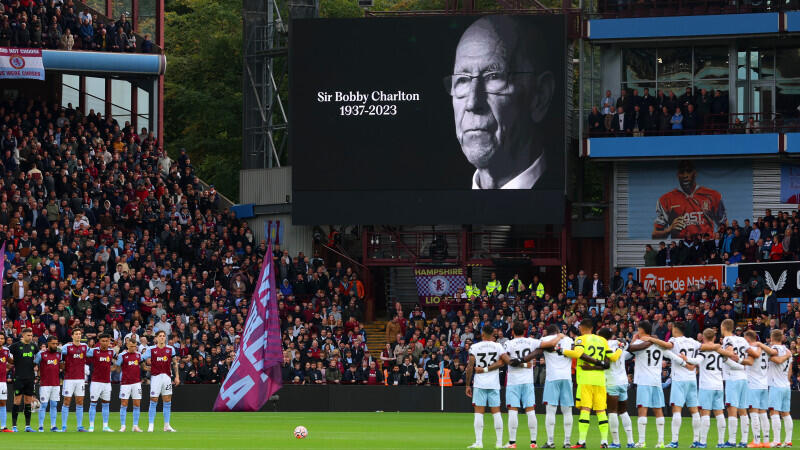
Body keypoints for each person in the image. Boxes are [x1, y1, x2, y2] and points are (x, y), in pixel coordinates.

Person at [448, 16, 556, 190]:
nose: (472, 103)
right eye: (462, 80)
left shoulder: (556, 189)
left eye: (494, 77)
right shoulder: (442, 198)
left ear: (540, 96)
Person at [641, 322, 704, 447]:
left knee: (676, 410)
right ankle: (697, 440)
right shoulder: (692, 341)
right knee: (694, 411)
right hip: (692, 379)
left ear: (675, 329)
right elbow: (702, 347)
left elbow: (667, 345)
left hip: (679, 379)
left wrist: (651, 339)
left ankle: (674, 441)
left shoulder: (674, 340)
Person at [503, 321, 562, 448]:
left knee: (513, 411)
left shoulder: (508, 343)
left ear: (512, 332)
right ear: (525, 331)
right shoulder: (531, 341)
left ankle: (512, 442)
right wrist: (559, 336)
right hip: (528, 381)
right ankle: (533, 442)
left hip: (513, 381)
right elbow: (551, 344)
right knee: (530, 410)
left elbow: (506, 360)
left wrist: (520, 363)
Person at [560, 320, 619, 448]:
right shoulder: (603, 340)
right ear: (592, 328)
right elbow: (613, 358)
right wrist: (620, 349)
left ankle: (581, 441)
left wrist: (563, 351)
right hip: (600, 381)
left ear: (581, 328)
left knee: (585, 409)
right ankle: (604, 441)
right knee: (601, 410)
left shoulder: (580, 339)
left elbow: (577, 354)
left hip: (585, 379)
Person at [652, 160, 726, 240]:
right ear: (677, 175)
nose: (685, 175)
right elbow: (655, 235)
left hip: (705, 245)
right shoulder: (665, 200)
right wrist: (669, 230)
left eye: (689, 171)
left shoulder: (713, 195)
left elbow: (724, 225)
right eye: (682, 172)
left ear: (695, 173)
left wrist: (717, 238)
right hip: (681, 247)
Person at [465, 324, 510, 448]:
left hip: (480, 384)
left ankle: (479, 442)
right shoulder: (498, 346)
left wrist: (467, 385)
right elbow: (504, 362)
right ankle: (499, 443)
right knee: (496, 413)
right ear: (493, 334)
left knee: (479, 413)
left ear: (482, 334)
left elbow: (470, 367)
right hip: (494, 383)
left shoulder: (475, 347)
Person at [530, 324, 575, 448]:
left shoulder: (544, 340)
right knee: (567, 411)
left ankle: (550, 441)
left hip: (552, 377)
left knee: (551, 410)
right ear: (558, 331)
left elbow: (538, 350)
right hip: (566, 377)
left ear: (547, 332)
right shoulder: (568, 339)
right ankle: (567, 442)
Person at [627, 321, 665, 448]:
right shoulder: (659, 344)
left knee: (642, 410)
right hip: (657, 381)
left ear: (641, 330)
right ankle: (661, 442)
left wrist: (633, 340)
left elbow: (628, 352)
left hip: (644, 381)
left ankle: (642, 441)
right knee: (658, 410)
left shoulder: (638, 343)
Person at [596, 328, 634, 449]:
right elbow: (628, 347)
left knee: (612, 411)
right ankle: (630, 442)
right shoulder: (619, 344)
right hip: (623, 381)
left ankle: (616, 442)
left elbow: (605, 363)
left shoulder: (603, 346)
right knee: (623, 411)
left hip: (612, 382)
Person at [759, 330, 793, 447]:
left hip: (775, 385)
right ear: (782, 338)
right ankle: (788, 441)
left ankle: (777, 440)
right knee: (786, 413)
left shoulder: (773, 350)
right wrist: (787, 381)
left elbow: (777, 359)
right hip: (785, 385)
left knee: (774, 412)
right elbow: (790, 369)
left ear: (771, 338)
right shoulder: (788, 350)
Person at [142, 330, 180, 432]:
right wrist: (145, 368)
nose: (162, 337)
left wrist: (177, 377)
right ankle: (151, 425)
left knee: (167, 400)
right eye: (160, 336)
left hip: (167, 377)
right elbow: (141, 358)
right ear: (156, 338)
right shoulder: (151, 349)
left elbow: (175, 363)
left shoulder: (170, 349)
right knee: (153, 400)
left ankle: (166, 425)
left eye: (164, 336)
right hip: (156, 377)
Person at [721, 319, 750, 447]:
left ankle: (732, 441)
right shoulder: (742, 339)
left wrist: (723, 356)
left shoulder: (727, 339)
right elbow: (750, 356)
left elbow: (730, 353)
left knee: (732, 409)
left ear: (723, 327)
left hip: (732, 377)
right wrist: (742, 364)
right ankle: (744, 441)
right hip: (744, 377)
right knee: (743, 410)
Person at [741, 330, 770, 447]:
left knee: (754, 413)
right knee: (763, 413)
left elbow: (748, 362)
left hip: (753, 384)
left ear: (748, 338)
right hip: (764, 384)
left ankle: (756, 441)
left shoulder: (750, 349)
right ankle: (766, 441)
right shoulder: (763, 348)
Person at [8, 328, 37, 432]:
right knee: (17, 401)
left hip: (30, 378)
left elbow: (38, 358)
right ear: (23, 335)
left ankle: (27, 426)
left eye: (31, 335)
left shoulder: (34, 346)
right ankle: (14, 426)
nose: (30, 337)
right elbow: (7, 355)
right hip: (19, 377)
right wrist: (10, 364)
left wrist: (36, 366)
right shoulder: (15, 346)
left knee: (28, 402)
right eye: (28, 335)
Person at [61, 328, 89, 432]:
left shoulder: (85, 347)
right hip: (69, 379)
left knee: (80, 402)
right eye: (76, 334)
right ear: (72, 336)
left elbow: (92, 354)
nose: (78, 335)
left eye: (79, 334)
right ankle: (64, 426)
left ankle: (80, 426)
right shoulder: (67, 347)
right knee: (67, 401)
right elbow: (58, 353)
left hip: (80, 379)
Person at [87, 333, 116, 432]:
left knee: (106, 404)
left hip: (107, 382)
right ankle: (91, 426)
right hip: (96, 382)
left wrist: (113, 368)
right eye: (103, 341)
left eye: (106, 341)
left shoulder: (111, 352)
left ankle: (105, 426)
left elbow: (116, 361)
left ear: (109, 342)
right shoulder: (94, 351)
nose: (104, 343)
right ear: (99, 342)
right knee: (93, 403)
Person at [34, 336, 61, 432]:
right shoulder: (41, 354)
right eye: (53, 344)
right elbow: (35, 365)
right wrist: (36, 376)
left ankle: (53, 426)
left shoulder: (59, 354)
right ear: (48, 343)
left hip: (56, 384)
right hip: (45, 384)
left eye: (56, 344)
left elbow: (61, 366)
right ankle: (40, 426)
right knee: (44, 405)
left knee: (54, 405)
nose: (55, 345)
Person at [117, 337, 144, 432]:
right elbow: (117, 367)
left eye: (135, 346)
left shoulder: (138, 355)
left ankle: (135, 426)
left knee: (137, 404)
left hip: (136, 383)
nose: (133, 348)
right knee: (124, 404)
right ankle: (123, 426)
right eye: (131, 346)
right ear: (128, 345)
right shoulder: (122, 355)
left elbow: (143, 366)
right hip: (125, 383)